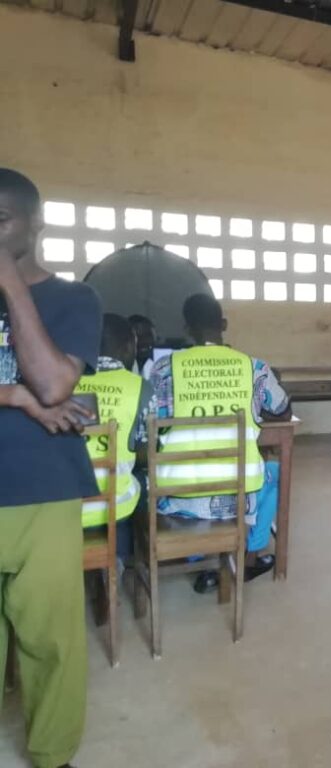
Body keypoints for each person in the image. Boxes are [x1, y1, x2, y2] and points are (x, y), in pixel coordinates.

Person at [0, 168, 102, 768]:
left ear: (35, 225)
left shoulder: (73, 299)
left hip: (44, 489)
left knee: (49, 636)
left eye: (0, 221)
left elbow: (56, 383)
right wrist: (15, 397)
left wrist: (11, 284)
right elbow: (35, 392)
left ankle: (52, 753)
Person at [148, 293, 290, 593]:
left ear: (187, 328)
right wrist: (253, 407)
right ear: (223, 324)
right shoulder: (253, 367)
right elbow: (283, 411)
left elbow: (151, 426)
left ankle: (200, 558)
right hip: (239, 496)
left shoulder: (163, 369)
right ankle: (249, 554)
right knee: (277, 473)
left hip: (176, 498)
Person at [75, 313, 157, 561]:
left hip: (66, 504)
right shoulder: (140, 387)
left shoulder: (63, 382)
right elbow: (148, 452)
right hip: (115, 505)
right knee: (143, 478)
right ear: (128, 347)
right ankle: (125, 558)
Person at [128, 313, 157, 379]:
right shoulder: (120, 369)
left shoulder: (164, 364)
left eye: (148, 335)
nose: (143, 341)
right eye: (137, 336)